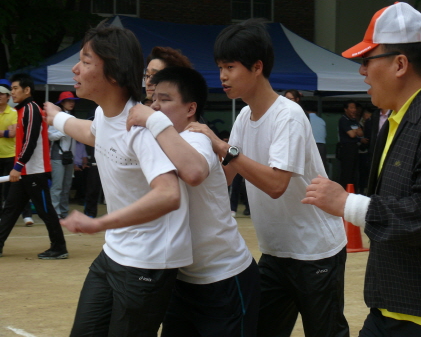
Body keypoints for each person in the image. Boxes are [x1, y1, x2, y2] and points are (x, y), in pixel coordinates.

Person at [303, 2, 421, 336]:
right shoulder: (398, 118)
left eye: (366, 60)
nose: (362, 71)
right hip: (397, 309)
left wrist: (347, 204)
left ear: (400, 64)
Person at [187, 19, 349, 337]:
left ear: (257, 66)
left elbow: (276, 184)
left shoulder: (288, 115)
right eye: (220, 67)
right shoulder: (245, 117)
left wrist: (222, 146)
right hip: (276, 254)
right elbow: (224, 178)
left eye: (230, 66)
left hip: (316, 252)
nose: (222, 76)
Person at [44, 23, 192, 336]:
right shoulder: (103, 115)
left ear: (112, 73)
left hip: (149, 262)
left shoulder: (142, 128)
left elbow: (168, 194)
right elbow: (94, 133)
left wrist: (100, 223)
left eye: (85, 62)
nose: (75, 69)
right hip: (113, 254)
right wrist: (56, 117)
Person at [127, 66, 260, 337]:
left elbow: (195, 172)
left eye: (165, 100)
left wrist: (151, 120)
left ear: (190, 109)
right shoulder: (158, 142)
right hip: (181, 281)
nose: (155, 107)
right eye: (153, 101)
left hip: (224, 280)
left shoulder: (196, 137)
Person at [0, 74, 68, 259]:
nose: (12, 92)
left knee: (46, 211)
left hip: (34, 172)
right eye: (11, 89)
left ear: (27, 90)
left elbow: (30, 142)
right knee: (10, 210)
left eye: (14, 88)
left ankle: (59, 248)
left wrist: (17, 166)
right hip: (25, 172)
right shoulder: (23, 110)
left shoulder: (31, 109)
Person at [0, 79, 34, 226]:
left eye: (2, 94)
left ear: (8, 97)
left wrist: (7, 132)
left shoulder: (14, 112)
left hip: (11, 155)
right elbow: (8, 132)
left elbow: (12, 134)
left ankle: (26, 215)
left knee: (16, 186)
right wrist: (5, 132)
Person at [48, 91, 79, 219]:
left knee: (66, 187)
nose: (71, 103)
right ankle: (55, 213)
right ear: (62, 103)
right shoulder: (57, 117)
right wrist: (64, 132)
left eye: (73, 101)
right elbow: (50, 135)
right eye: (68, 101)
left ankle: (63, 212)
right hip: (58, 156)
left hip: (69, 157)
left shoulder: (73, 118)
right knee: (57, 186)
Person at [337, 100, 363, 190]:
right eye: (351, 107)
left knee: (354, 171)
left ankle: (353, 190)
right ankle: (344, 190)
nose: (354, 110)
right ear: (346, 109)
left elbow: (360, 133)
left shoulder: (354, 120)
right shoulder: (343, 120)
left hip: (355, 148)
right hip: (346, 148)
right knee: (347, 171)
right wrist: (356, 131)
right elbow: (351, 134)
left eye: (355, 107)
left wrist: (355, 131)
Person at [304, 100, 327, 170]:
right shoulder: (321, 120)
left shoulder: (305, 119)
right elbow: (324, 135)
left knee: (308, 168)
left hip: (310, 145)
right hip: (322, 146)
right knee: (320, 168)